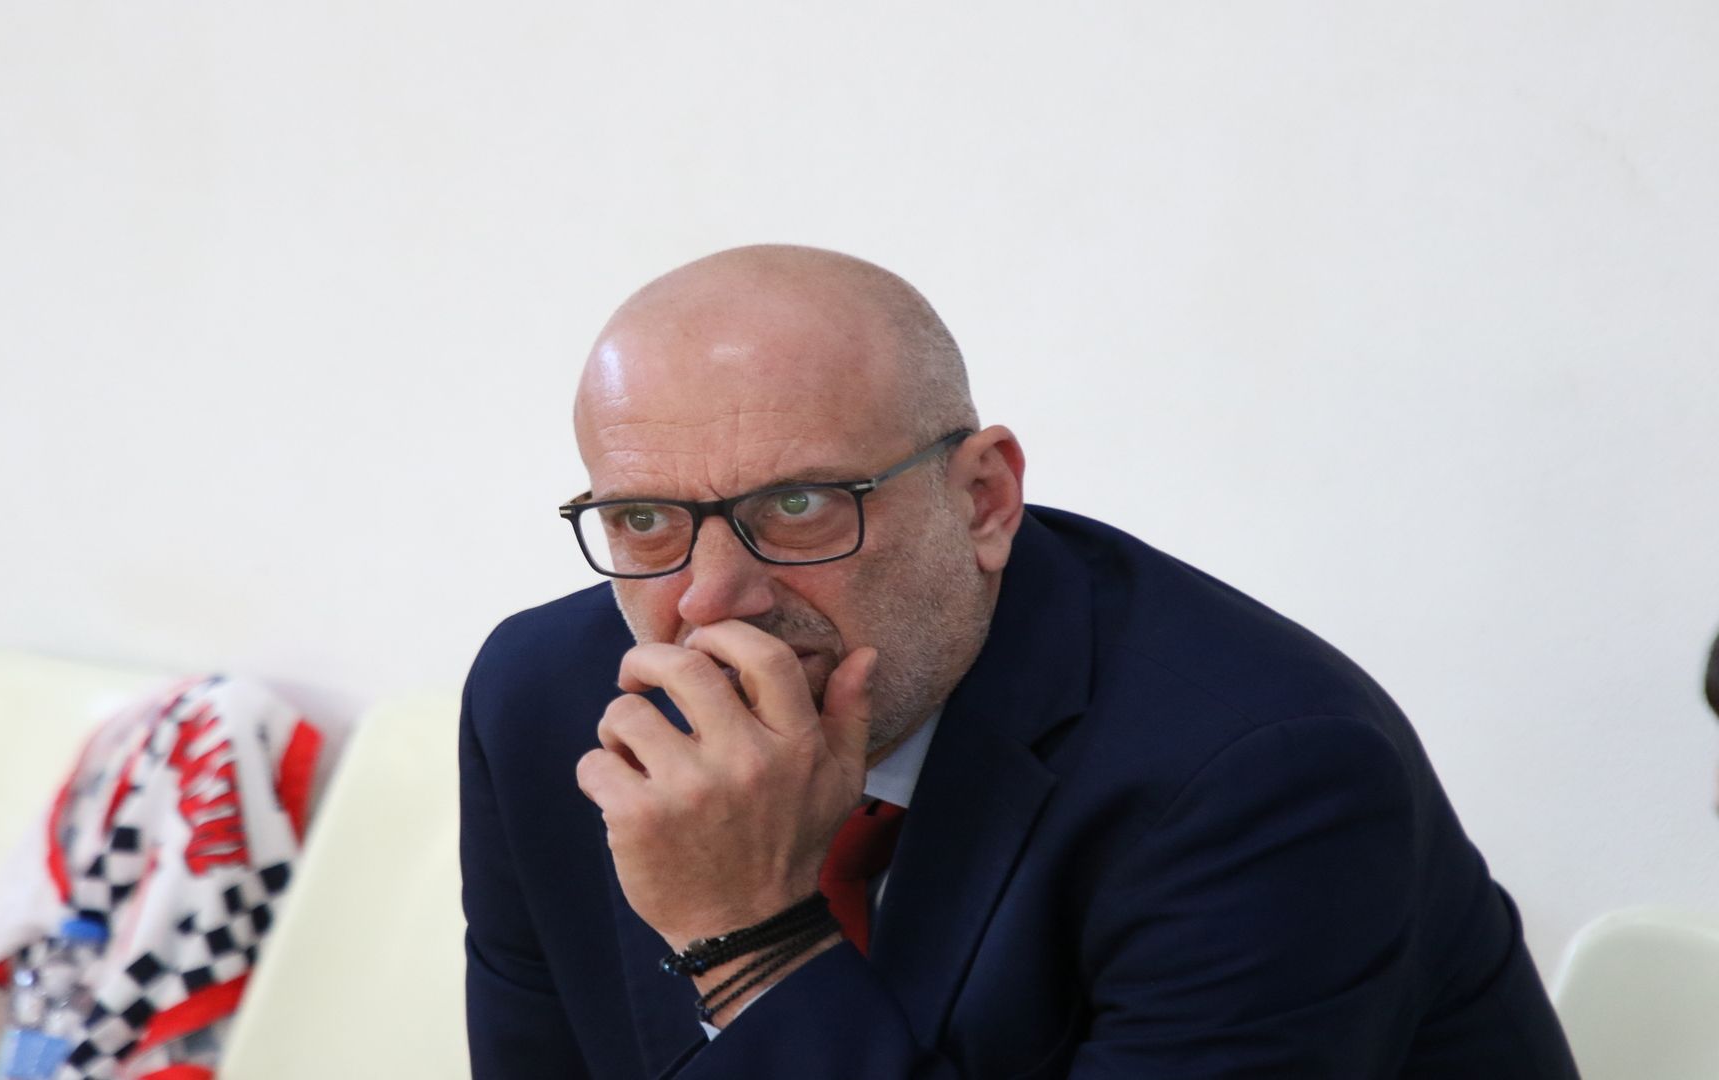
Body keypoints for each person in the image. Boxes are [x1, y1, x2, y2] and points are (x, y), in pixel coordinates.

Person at [459, 245, 1579, 1078]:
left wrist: (750, 938)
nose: (711, 599)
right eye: (644, 520)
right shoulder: (544, 702)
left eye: (799, 506)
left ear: (984, 500)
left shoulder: (1268, 778)